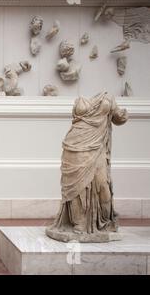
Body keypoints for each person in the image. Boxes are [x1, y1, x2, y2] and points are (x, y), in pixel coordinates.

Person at [46, 92, 128, 240]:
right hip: (75, 145)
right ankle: (80, 223)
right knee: (76, 189)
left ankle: (104, 222)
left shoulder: (108, 98)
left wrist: (123, 115)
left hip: (97, 147)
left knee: (103, 186)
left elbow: (118, 119)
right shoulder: (80, 100)